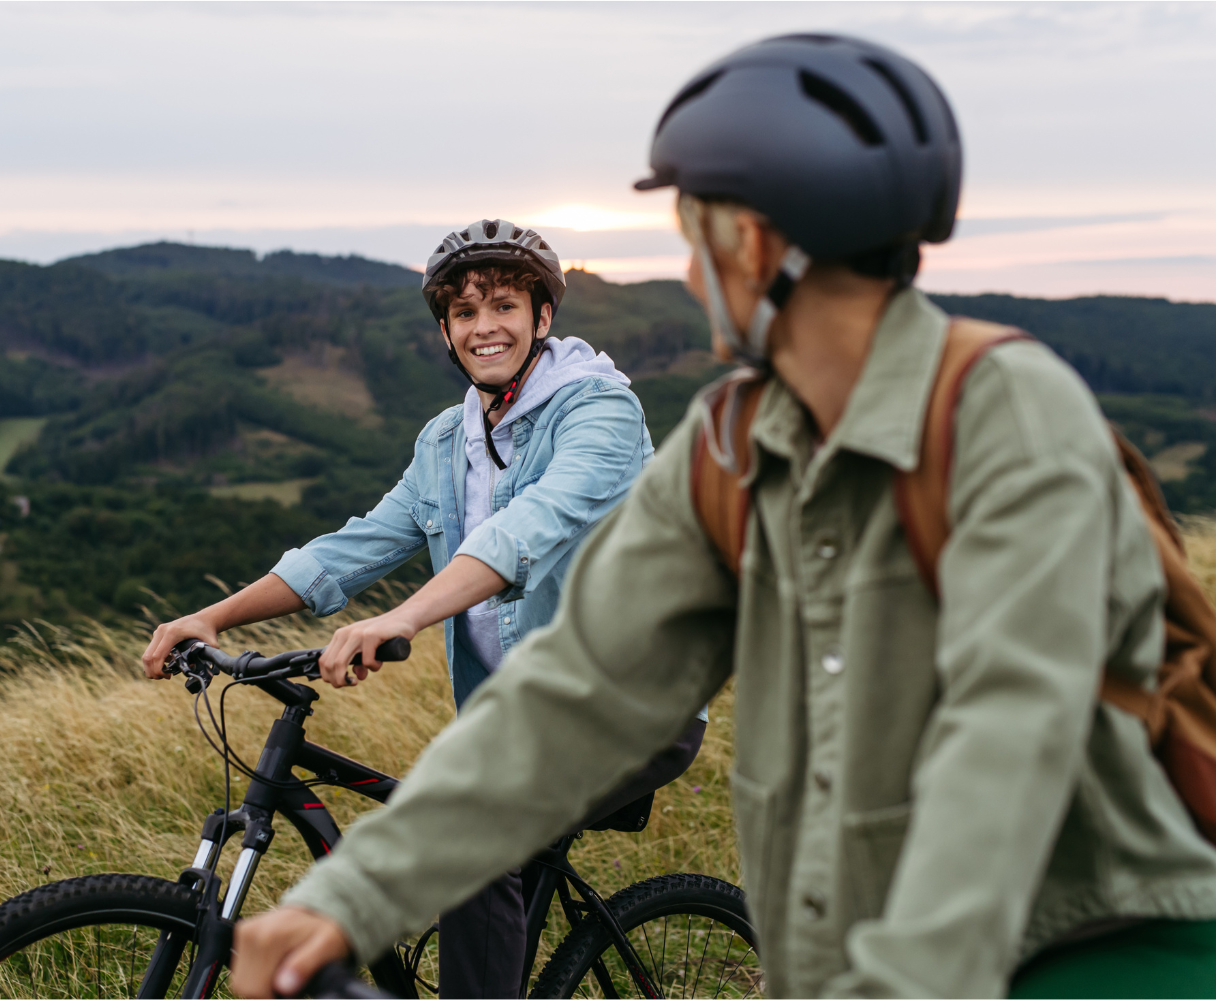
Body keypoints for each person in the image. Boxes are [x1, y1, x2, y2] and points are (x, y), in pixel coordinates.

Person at [229, 34, 1216, 999]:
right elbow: (579, 694)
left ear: (747, 241)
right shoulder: (729, 447)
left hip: (1095, 956)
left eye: (691, 235)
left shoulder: (1007, 414)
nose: (692, 271)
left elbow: (1007, 743)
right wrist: (351, 896)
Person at [141, 220, 705, 998]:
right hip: (519, 717)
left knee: (470, 842)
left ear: (543, 317)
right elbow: (356, 546)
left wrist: (402, 618)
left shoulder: (600, 414)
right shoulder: (448, 440)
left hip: (632, 707)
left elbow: (524, 531)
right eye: (465, 314)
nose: (485, 328)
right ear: (445, 330)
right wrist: (215, 616)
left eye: (504, 306)